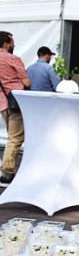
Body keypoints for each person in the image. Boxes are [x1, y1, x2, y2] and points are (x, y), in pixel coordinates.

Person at [0, 31, 31, 187]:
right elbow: (27, 83)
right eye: (12, 42)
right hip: (15, 102)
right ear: (5, 44)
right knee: (15, 139)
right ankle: (7, 173)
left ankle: (6, 170)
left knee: (11, 136)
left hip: (2, 103)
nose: (14, 45)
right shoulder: (13, 59)